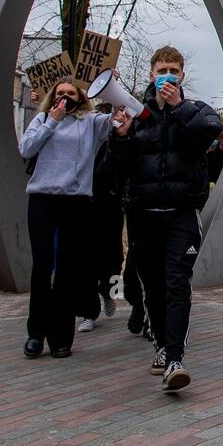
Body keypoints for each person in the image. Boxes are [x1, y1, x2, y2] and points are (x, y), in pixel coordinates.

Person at [111, 47, 222, 392]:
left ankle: (175, 357)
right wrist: (122, 137)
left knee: (177, 282)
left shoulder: (194, 110)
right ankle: (161, 344)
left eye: (173, 70)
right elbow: (118, 168)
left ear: (182, 76)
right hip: (143, 213)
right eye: (162, 70)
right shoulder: (135, 114)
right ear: (150, 74)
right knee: (153, 287)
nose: (167, 76)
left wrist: (177, 108)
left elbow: (207, 131)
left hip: (181, 213)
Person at [19, 80, 129, 359]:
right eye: (60, 94)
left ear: (80, 98)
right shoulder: (43, 119)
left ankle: (61, 336)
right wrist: (51, 122)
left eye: (71, 93)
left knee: (68, 269)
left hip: (75, 201)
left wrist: (110, 86)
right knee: (42, 267)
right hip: (43, 199)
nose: (65, 98)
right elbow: (27, 149)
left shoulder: (90, 122)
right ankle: (36, 333)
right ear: (52, 98)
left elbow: (119, 113)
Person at [79, 127, 124, 334]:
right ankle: (88, 312)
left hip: (110, 207)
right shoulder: (82, 146)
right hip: (84, 207)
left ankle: (110, 292)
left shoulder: (114, 147)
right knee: (85, 262)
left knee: (113, 257)